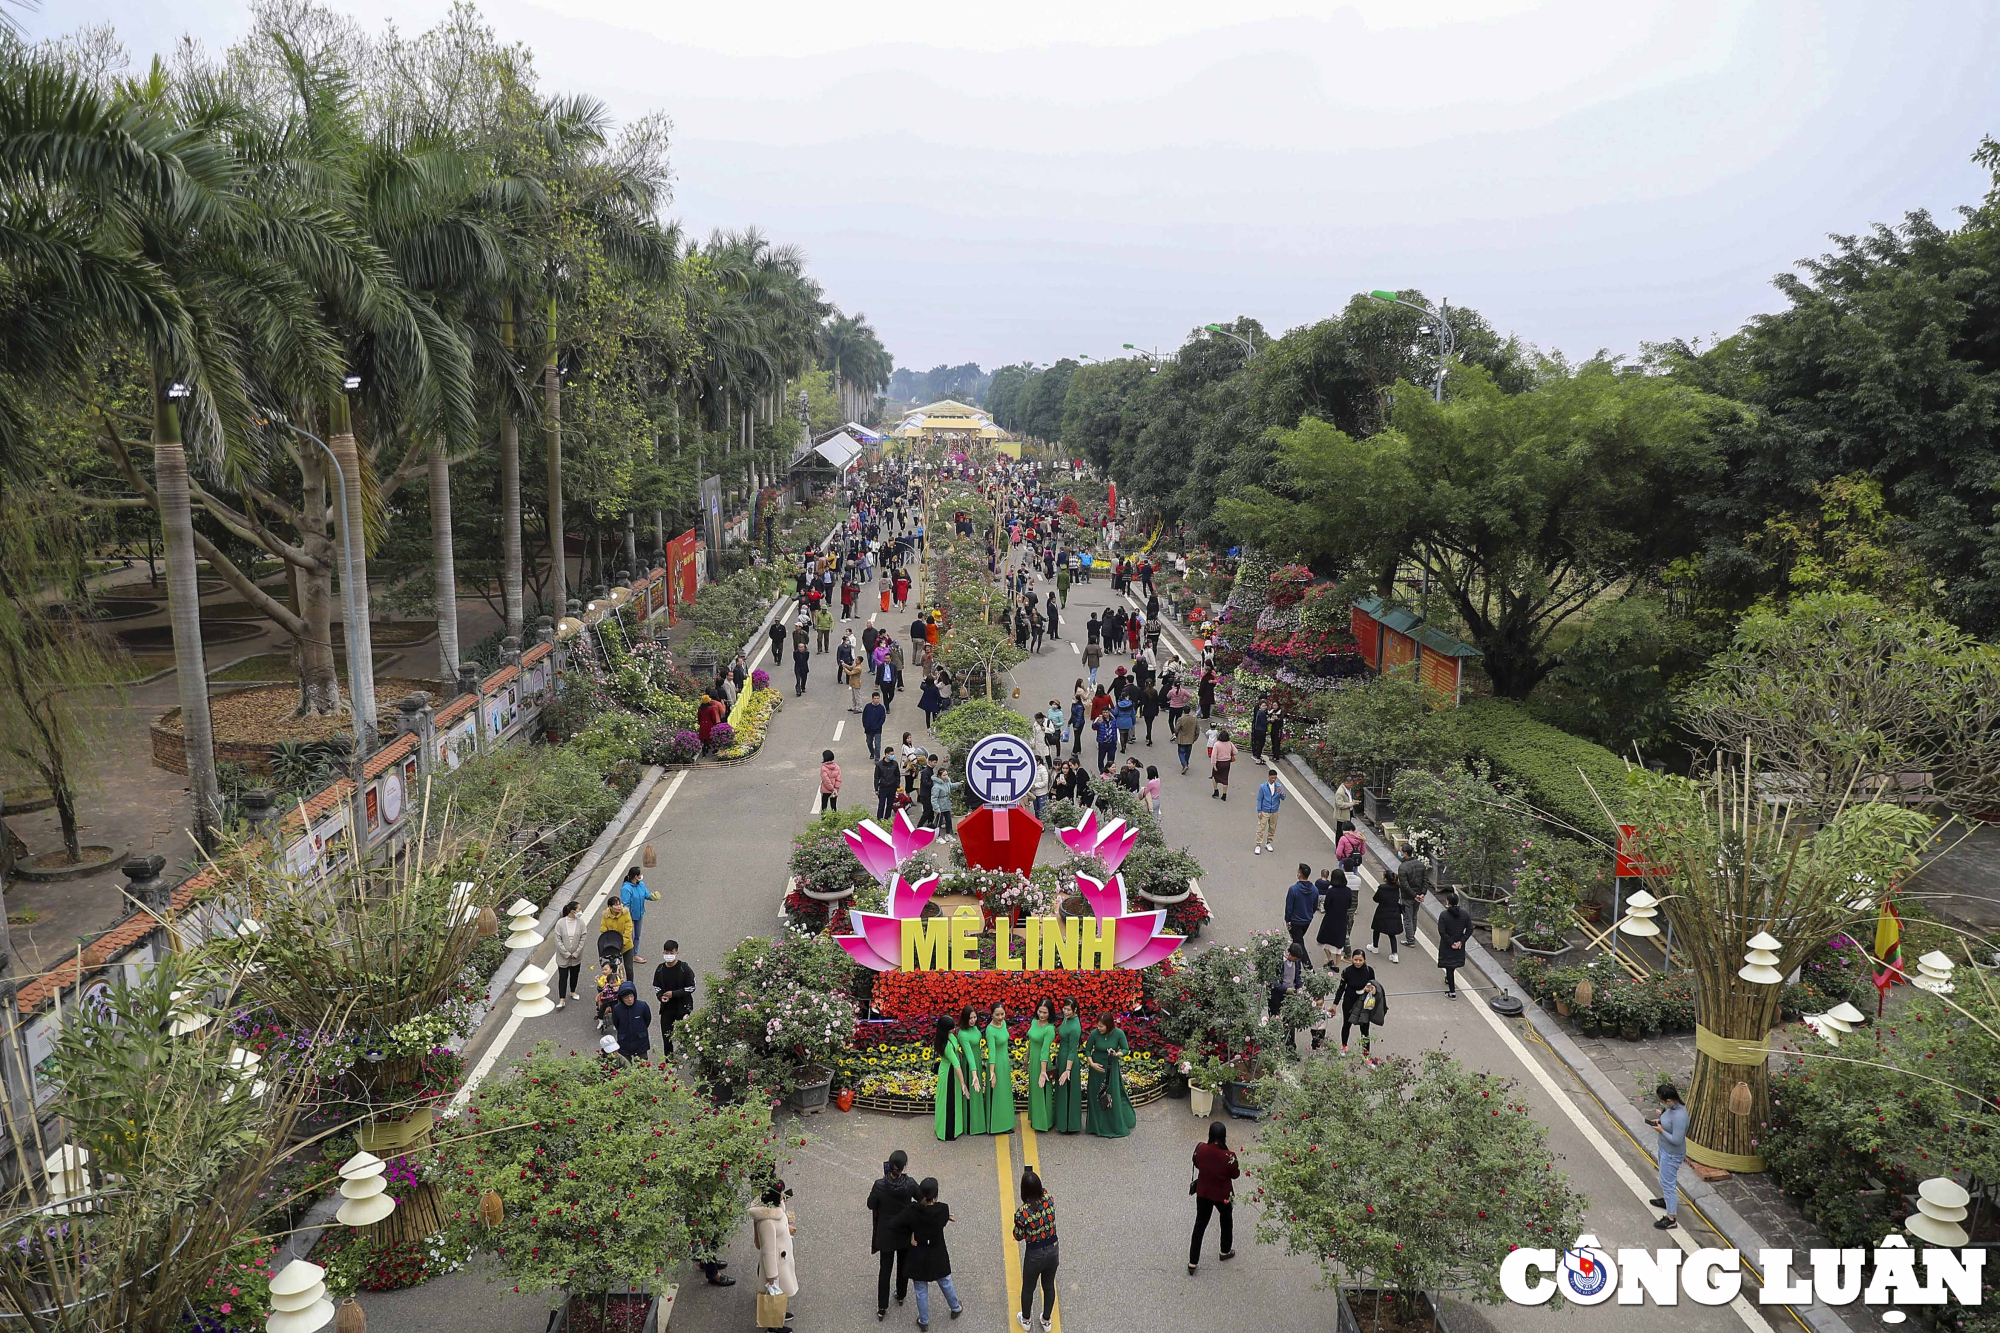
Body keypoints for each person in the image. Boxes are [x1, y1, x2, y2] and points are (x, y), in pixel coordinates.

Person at [900, 1177, 963, 1330]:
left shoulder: (914, 1210)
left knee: (921, 1289)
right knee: (945, 1281)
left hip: (919, 1255)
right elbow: (940, 1217)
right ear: (935, 1193)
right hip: (937, 1253)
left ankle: (924, 1321)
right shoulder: (943, 1209)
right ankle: (955, 1307)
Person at [867, 1151, 919, 1319]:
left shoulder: (879, 1185)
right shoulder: (910, 1184)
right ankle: (901, 1294)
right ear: (904, 1168)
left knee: (885, 1270)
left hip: (886, 1234)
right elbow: (920, 1198)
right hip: (904, 1232)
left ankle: (882, 1307)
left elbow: (871, 1204)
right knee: (903, 1265)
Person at [1188, 1121, 1240, 1274]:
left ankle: (1193, 1262)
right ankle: (1224, 1251)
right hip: (1222, 1195)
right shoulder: (1229, 1156)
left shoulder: (1201, 1149)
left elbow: (1197, 1164)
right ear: (1224, 1136)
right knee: (1226, 1220)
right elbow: (1235, 1175)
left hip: (1203, 1192)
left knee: (1200, 1225)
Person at [1012, 1169, 1059, 1332]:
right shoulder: (1049, 1200)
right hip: (1053, 1250)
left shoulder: (1022, 1213)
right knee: (1048, 1285)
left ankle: (1026, 1319)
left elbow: (1018, 1236)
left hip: (1035, 1254)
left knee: (1028, 1287)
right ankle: (1046, 1320)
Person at [750, 1179, 798, 1324]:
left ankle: (779, 1315)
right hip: (776, 1262)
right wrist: (771, 1275)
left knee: (779, 1292)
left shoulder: (774, 1210)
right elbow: (768, 1250)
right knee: (773, 1292)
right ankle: (773, 1326)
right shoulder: (767, 1222)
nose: (783, 1196)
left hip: (782, 1259)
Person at [1084, 1014, 1137, 1138]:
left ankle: (1114, 1125)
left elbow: (1125, 1049)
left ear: (1109, 1025)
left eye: (1101, 1026)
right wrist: (1091, 1063)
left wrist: (1117, 1053)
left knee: (1112, 1095)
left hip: (1110, 1067)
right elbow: (1087, 1050)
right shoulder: (1094, 1034)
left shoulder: (1118, 1033)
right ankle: (1096, 1126)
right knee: (1097, 1095)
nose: (1099, 1028)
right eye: (1098, 1025)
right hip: (1096, 1069)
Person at [1648, 1084, 1690, 1230]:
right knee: (1664, 1179)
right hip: (1664, 1149)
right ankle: (1666, 1201)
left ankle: (1671, 1218)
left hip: (1672, 1154)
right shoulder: (1671, 1109)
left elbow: (1677, 1139)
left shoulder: (1680, 1116)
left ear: (1669, 1100)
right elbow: (1668, 1122)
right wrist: (1660, 1123)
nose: (1662, 1103)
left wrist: (1661, 1130)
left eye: (1662, 1100)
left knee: (1668, 1184)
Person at [1334, 948, 1387, 1060]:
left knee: (1364, 1029)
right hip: (1349, 1002)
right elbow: (1341, 988)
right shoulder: (1347, 972)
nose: (1358, 962)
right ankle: (1344, 1047)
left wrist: (1372, 989)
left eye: (1360, 960)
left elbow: (1374, 985)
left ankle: (1366, 1055)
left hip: (1364, 1005)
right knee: (1346, 1025)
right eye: (1355, 960)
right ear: (1352, 959)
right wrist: (1334, 1004)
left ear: (1364, 960)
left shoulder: (1369, 971)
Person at [652, 940, 695, 1054]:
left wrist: (674, 994)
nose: (669, 955)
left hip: (683, 1008)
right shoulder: (660, 969)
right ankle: (669, 1062)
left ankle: (687, 1055)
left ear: (677, 952)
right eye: (666, 952)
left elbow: (691, 987)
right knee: (667, 1037)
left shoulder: (684, 968)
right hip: (667, 1009)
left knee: (685, 1035)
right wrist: (661, 997)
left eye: (671, 952)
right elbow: (657, 986)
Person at [953, 1008, 990, 1136]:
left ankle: (979, 1124)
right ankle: (971, 1126)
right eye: (970, 1018)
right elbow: (969, 1056)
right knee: (972, 1093)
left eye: (974, 1017)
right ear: (964, 1019)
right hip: (970, 1066)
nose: (973, 1020)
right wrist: (974, 1075)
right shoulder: (963, 1034)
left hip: (977, 1063)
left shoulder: (975, 1029)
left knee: (977, 1093)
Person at [1051, 999, 1084, 1134]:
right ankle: (1062, 1122)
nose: (1065, 1012)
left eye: (1068, 1010)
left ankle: (1070, 1125)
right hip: (1062, 1057)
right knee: (1062, 1090)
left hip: (1069, 1061)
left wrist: (1067, 1070)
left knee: (1068, 1090)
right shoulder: (1067, 1019)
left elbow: (1072, 1050)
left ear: (1075, 1010)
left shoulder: (1075, 1027)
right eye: (1064, 1009)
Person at [934, 1016, 969, 1142]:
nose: (955, 1029)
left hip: (951, 1072)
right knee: (949, 1102)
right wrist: (963, 1084)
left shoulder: (950, 1037)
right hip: (949, 1074)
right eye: (952, 1027)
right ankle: (948, 1132)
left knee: (951, 1101)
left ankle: (953, 1129)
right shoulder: (946, 1045)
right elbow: (956, 1064)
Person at [1025, 1000, 1058, 1133]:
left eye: (1045, 1012)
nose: (1042, 1015)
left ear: (1050, 1013)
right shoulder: (1034, 1022)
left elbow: (1044, 1051)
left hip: (1042, 1064)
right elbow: (1031, 1041)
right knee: (1034, 1090)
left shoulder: (1049, 1029)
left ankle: (1044, 1122)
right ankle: (1036, 1119)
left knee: (1041, 1092)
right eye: (1040, 1011)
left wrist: (1043, 1072)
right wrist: (1026, 1058)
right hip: (1033, 1061)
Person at [550, 900, 586, 1009]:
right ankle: (562, 999)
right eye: (579, 909)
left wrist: (576, 952)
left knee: (574, 975)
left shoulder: (581, 923)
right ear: (572, 911)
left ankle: (573, 991)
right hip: (563, 957)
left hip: (576, 957)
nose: (580, 911)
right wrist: (566, 953)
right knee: (563, 977)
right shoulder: (560, 923)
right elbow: (558, 940)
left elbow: (583, 938)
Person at [985, 1003, 1015, 1134]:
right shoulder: (990, 1030)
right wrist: (992, 1072)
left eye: (1002, 1014)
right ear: (992, 1014)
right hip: (996, 1064)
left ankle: (1006, 1123)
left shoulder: (1003, 1024)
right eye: (997, 1014)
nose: (1000, 1017)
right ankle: (996, 1126)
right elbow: (991, 1051)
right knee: (998, 1094)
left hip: (1004, 1063)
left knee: (1004, 1094)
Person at [1437, 892, 1473, 999]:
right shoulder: (1464, 914)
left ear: (1448, 902)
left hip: (1447, 945)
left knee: (1449, 967)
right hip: (1459, 945)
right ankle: (1449, 979)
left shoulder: (1444, 915)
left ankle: (1452, 992)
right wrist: (1461, 941)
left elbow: (1442, 932)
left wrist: (1451, 943)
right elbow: (1470, 929)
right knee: (1453, 966)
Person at [1316, 866, 1353, 968]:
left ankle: (1329, 958)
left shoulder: (1331, 891)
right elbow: (1349, 904)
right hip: (1342, 919)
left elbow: (1327, 905)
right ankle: (1337, 965)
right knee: (1338, 943)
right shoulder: (1348, 891)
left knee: (1323, 939)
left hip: (1330, 918)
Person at [620, 866, 657, 967]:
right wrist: (627, 916)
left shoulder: (641, 885)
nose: (641, 876)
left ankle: (634, 955)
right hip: (629, 917)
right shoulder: (626, 889)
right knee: (630, 936)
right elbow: (625, 904)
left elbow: (646, 894)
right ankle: (628, 954)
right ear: (635, 876)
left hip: (639, 914)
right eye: (640, 874)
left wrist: (652, 896)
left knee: (637, 936)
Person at [609, 980, 652, 1061]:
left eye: (631, 996)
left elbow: (647, 1020)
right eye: (626, 997)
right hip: (624, 1042)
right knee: (625, 1067)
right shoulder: (617, 1009)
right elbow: (616, 1023)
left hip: (641, 1042)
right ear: (621, 998)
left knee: (643, 1067)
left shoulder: (642, 1006)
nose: (629, 999)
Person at [1284, 863, 1318, 960]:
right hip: (1307, 920)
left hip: (1295, 921)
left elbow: (1289, 908)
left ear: (1299, 874)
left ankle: (1308, 967)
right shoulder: (1315, 889)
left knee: (1299, 943)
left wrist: (1287, 920)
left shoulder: (1293, 889)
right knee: (1297, 940)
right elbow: (1315, 906)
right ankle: (1293, 957)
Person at [600, 897, 636, 982]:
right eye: (616, 905)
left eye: (620, 904)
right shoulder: (606, 916)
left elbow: (629, 929)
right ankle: (614, 987)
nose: (619, 906)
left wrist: (622, 942)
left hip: (626, 945)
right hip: (613, 947)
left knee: (629, 968)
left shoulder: (625, 914)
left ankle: (630, 985)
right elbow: (603, 929)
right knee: (614, 969)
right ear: (610, 907)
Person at [1370, 871, 1404, 962]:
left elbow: (1375, 899)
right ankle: (1394, 954)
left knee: (1377, 929)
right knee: (1392, 934)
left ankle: (1375, 946)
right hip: (1394, 911)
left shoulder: (1382, 888)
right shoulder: (1397, 888)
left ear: (1385, 879)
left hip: (1382, 911)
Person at [1254, 769, 1286, 854]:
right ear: (1268, 777)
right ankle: (1258, 844)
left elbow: (1283, 797)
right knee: (1261, 827)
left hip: (1274, 811)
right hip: (1265, 810)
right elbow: (1259, 799)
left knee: (1272, 827)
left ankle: (1269, 842)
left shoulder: (1279, 786)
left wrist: (1281, 793)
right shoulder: (1263, 787)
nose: (1273, 780)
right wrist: (1259, 810)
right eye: (1272, 778)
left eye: (1275, 778)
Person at [1209, 728, 1237, 801]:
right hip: (1227, 763)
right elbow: (1236, 752)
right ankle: (1224, 795)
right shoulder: (1230, 743)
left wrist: (1214, 764)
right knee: (1225, 778)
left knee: (1215, 776)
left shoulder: (1217, 744)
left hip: (1219, 762)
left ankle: (1216, 791)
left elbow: (1214, 755)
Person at [1172, 707, 1201, 776]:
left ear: (1183, 711)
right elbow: (1197, 730)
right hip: (1190, 739)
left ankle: (1184, 765)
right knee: (1188, 753)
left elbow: (1176, 729)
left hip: (1182, 739)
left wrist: (1175, 734)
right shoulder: (1194, 719)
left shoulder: (1181, 719)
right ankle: (1186, 763)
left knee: (1181, 753)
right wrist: (1195, 738)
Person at [874, 752, 902, 821]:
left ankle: (887, 818)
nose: (892, 755)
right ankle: (879, 818)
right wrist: (876, 788)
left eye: (893, 754)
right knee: (881, 804)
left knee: (890, 805)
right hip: (883, 788)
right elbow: (876, 777)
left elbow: (897, 775)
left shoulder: (895, 764)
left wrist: (897, 784)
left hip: (892, 788)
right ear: (886, 754)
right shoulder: (879, 765)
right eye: (890, 754)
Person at [862, 691, 887, 760]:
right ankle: (872, 752)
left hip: (877, 730)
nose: (876, 700)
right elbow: (864, 716)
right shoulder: (868, 707)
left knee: (877, 745)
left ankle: (877, 758)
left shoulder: (881, 708)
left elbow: (882, 719)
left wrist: (878, 726)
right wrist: (865, 725)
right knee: (869, 743)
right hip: (868, 729)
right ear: (872, 699)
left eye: (878, 698)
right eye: (875, 698)